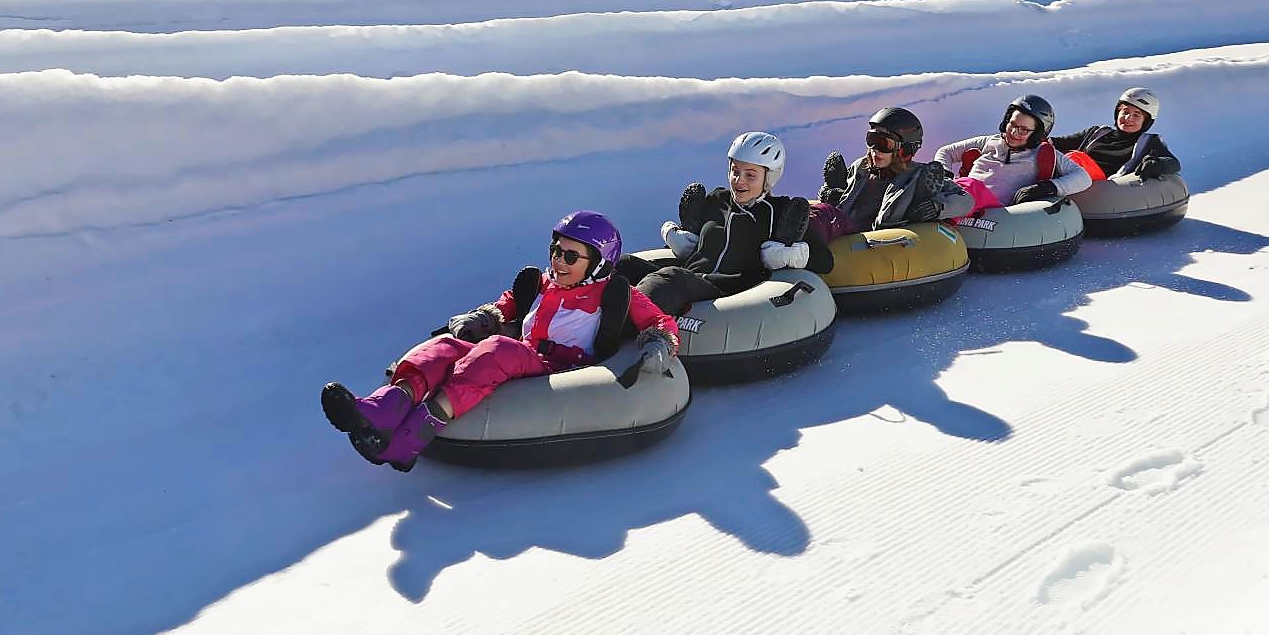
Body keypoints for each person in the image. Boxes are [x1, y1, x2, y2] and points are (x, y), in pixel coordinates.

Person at [321, 211, 679, 472]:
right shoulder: (540, 283)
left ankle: (410, 439)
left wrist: (658, 343)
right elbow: (505, 306)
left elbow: (659, 322)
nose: (559, 261)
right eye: (556, 250)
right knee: (443, 348)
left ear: (598, 263)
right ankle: (382, 409)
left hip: (559, 368)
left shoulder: (615, 293)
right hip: (522, 354)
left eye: (572, 256)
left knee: (498, 350)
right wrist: (482, 318)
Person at [626, 132, 813, 316]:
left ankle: (624, 332)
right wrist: (679, 239)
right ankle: (604, 321)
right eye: (735, 171)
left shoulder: (781, 212)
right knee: (623, 264)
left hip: (729, 292)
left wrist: (788, 256)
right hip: (690, 278)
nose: (739, 181)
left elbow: (824, 260)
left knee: (670, 279)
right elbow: (701, 243)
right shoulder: (717, 199)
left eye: (750, 175)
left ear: (769, 177)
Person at [810, 106, 969, 242]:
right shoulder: (860, 168)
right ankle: (793, 245)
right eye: (871, 140)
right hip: (846, 232)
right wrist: (834, 193)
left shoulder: (919, 174)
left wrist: (936, 207)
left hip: (876, 240)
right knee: (811, 209)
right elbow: (848, 203)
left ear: (905, 149)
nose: (875, 149)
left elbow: (966, 200)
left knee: (826, 215)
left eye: (883, 143)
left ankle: (802, 248)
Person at [931, 93, 1094, 214]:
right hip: (961, 195)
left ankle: (934, 210)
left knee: (971, 187)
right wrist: (945, 174)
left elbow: (1083, 177)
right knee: (927, 176)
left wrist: (1047, 187)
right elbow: (946, 152)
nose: (1015, 132)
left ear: (1037, 134)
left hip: (994, 208)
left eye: (1024, 130)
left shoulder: (1042, 153)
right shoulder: (989, 141)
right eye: (1012, 124)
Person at [1051, 86, 1183, 181]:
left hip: (1105, 189)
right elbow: (1058, 142)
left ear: (1146, 121)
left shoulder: (1148, 142)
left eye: (1136, 115)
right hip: (1073, 179)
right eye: (1125, 112)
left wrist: (1157, 163)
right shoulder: (1096, 132)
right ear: (1117, 113)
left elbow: (1174, 163)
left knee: (1076, 158)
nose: (1128, 118)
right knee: (1047, 150)